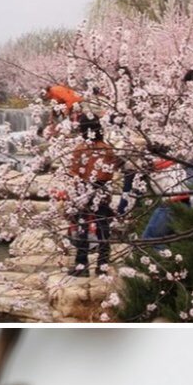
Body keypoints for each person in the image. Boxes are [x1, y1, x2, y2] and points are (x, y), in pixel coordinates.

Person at [68, 116, 118, 276]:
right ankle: (102, 265)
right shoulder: (107, 148)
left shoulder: (80, 148)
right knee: (103, 227)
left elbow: (74, 172)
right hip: (102, 188)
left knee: (82, 226)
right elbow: (108, 174)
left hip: (83, 188)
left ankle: (81, 265)